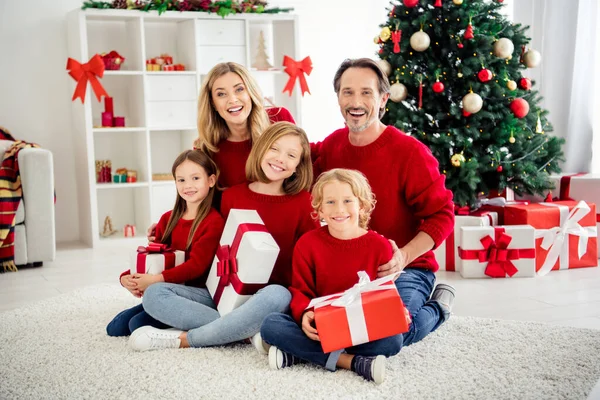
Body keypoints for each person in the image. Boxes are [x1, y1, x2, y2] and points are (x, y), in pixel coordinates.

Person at [130, 121, 319, 351]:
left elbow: (309, 260)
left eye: (291, 155)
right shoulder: (231, 196)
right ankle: (248, 333)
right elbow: (200, 227)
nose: (280, 158)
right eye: (274, 149)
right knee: (154, 295)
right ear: (261, 149)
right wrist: (164, 226)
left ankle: (186, 340)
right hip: (224, 294)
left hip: (267, 298)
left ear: (299, 166)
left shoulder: (303, 203)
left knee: (277, 295)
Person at [312, 58, 456, 349]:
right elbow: (290, 156)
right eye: (347, 92)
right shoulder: (331, 147)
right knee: (326, 327)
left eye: (366, 92)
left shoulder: (410, 152)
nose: (356, 101)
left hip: (406, 269)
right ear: (338, 98)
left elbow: (442, 215)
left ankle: (440, 306)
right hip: (350, 268)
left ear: (383, 100)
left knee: (388, 332)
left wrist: (402, 256)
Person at [261, 169, 412, 384]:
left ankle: (298, 354)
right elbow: (300, 290)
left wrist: (398, 311)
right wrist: (306, 314)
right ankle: (351, 362)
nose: (339, 209)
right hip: (321, 325)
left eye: (348, 200)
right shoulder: (307, 244)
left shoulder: (379, 246)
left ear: (361, 206)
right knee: (271, 324)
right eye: (330, 202)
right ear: (319, 210)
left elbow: (384, 292)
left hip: (360, 326)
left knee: (393, 341)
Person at [147, 62, 295, 241]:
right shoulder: (206, 148)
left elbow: (301, 168)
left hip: (286, 222)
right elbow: (200, 200)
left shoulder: (279, 119)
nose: (232, 99)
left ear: (251, 92)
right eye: (221, 94)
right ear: (213, 103)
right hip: (240, 236)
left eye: (239, 89)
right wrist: (170, 224)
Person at [106, 150, 224, 337]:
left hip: (198, 294)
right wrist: (127, 278)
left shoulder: (213, 221)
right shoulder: (168, 219)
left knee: (136, 324)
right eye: (181, 180)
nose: (188, 186)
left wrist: (154, 280)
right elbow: (154, 258)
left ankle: (187, 319)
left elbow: (196, 266)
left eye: (195, 178)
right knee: (115, 328)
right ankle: (166, 312)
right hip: (168, 289)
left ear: (210, 181)